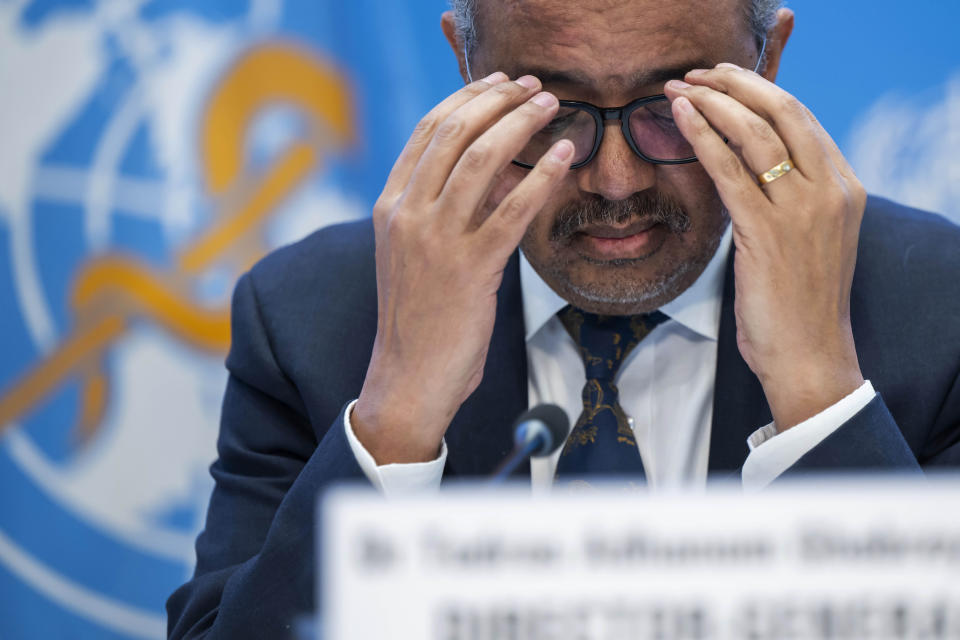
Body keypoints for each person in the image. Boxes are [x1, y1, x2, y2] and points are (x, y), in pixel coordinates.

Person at [166, 0, 960, 636]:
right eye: (553, 109)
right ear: (466, 65)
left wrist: (819, 393)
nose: (615, 182)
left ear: (768, 61)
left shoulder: (935, 304)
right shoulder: (313, 314)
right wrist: (398, 416)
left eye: (668, 107)